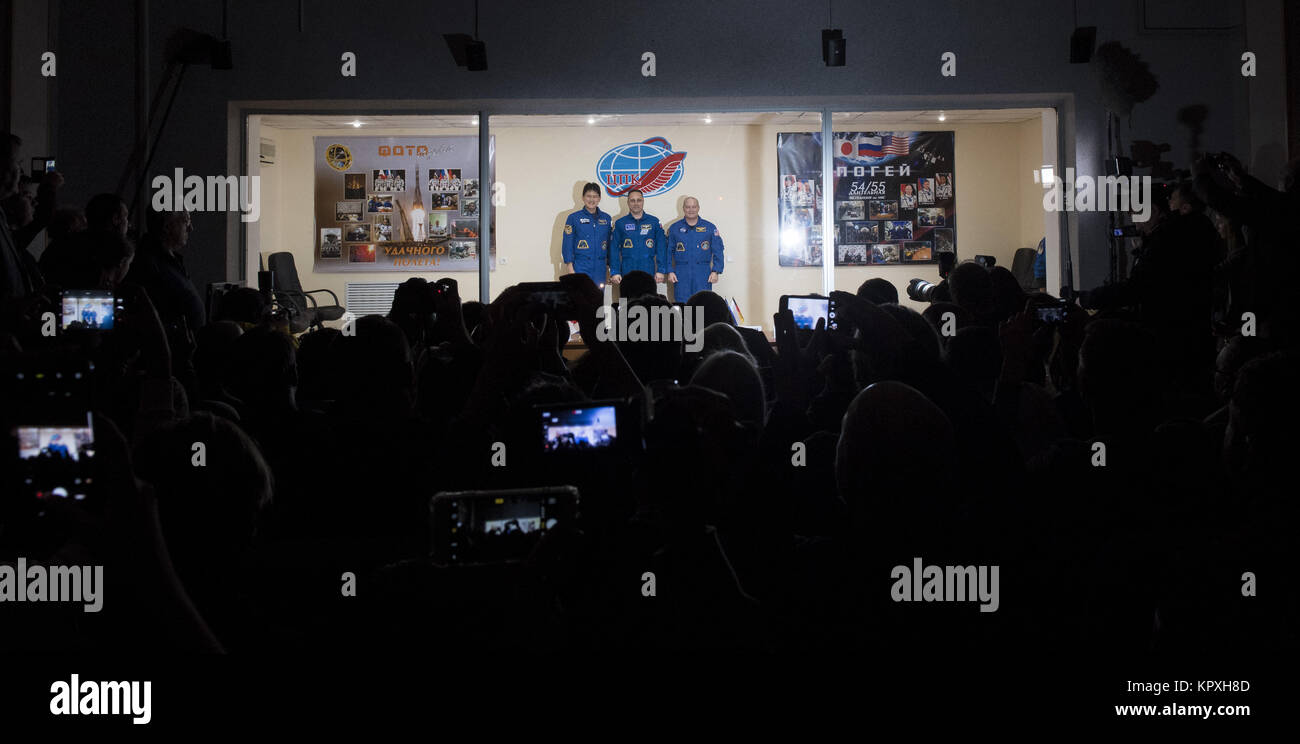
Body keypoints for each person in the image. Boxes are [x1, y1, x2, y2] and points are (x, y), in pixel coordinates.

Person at [126, 206, 205, 332]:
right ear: (167, 227)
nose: (191, 228)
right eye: (186, 222)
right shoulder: (148, 264)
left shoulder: (168, 259)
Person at [665, 196, 725, 302]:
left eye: (694, 207)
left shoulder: (709, 228)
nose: (691, 210)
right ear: (683, 208)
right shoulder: (674, 228)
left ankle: (700, 319)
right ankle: (684, 319)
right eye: (688, 207)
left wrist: (716, 271)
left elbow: (718, 250)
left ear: (698, 208)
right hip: (681, 272)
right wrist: (670, 271)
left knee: (703, 303)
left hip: (703, 273)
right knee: (682, 303)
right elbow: (668, 251)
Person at [609, 188, 667, 288]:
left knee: (647, 302)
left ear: (643, 201)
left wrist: (661, 270)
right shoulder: (620, 223)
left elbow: (661, 248)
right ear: (628, 202)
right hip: (626, 272)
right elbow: (613, 249)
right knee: (625, 302)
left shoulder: (654, 222)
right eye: (632, 200)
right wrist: (615, 272)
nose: (636, 203)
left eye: (639, 200)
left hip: (648, 271)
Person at [560, 182, 612, 286]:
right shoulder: (573, 218)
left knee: (598, 299)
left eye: (595, 196)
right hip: (580, 267)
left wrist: (609, 268)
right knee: (580, 299)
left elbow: (610, 245)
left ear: (599, 198)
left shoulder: (606, 218)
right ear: (583, 197)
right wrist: (570, 268)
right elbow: (567, 244)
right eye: (588, 196)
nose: (591, 200)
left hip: (600, 269)